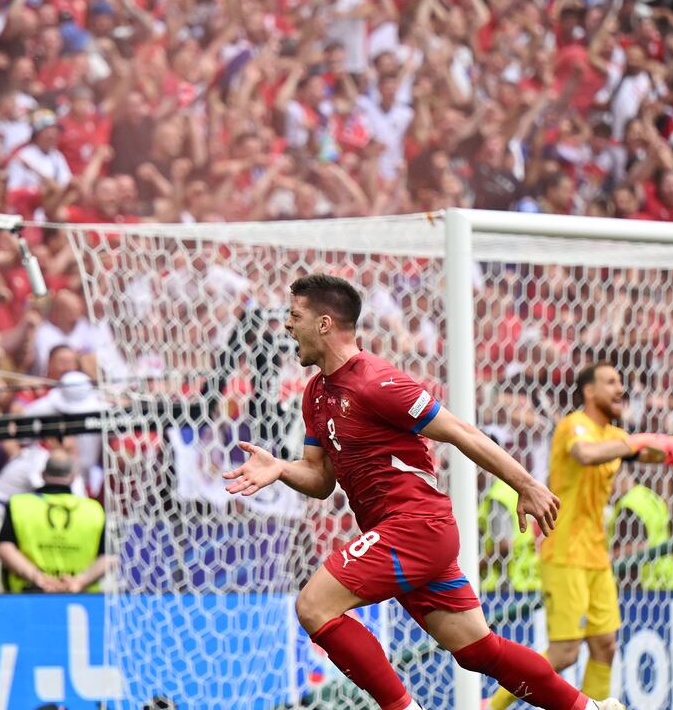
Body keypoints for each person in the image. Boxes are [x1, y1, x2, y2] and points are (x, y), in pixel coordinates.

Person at [225, 274, 623, 710]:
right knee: (478, 651)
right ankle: (589, 708)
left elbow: (459, 431)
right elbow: (320, 481)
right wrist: (281, 468)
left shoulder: (377, 381)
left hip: (416, 525)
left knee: (314, 606)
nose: (286, 325)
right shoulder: (316, 394)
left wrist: (526, 485)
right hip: (407, 534)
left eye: (294, 315)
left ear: (324, 323)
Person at [488, 362, 673, 710]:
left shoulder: (614, 437)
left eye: (621, 382)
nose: (619, 389)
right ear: (589, 391)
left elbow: (641, 451)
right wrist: (639, 441)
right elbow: (587, 455)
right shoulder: (573, 427)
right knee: (565, 652)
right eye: (611, 382)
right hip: (563, 549)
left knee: (605, 645)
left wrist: (669, 447)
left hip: (597, 553)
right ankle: (490, 706)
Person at [0, 451, 109, 593]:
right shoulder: (94, 509)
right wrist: (80, 581)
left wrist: (38, 577)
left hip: (29, 595)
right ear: (73, 477)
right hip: (82, 597)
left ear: (42, 474)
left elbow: (5, 548)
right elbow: (108, 557)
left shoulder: (19, 504)